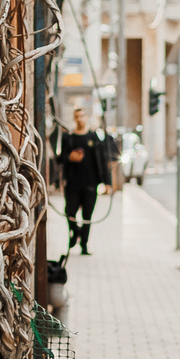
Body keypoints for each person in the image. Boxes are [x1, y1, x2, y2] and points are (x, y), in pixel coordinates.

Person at [57, 105, 110, 255]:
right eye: (77, 116)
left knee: (87, 216)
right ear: (74, 119)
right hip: (72, 183)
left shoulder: (93, 138)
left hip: (90, 184)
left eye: (82, 116)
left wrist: (107, 183)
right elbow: (59, 158)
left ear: (86, 118)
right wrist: (69, 157)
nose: (80, 119)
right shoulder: (69, 138)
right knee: (70, 211)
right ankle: (75, 233)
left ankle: (84, 245)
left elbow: (102, 160)